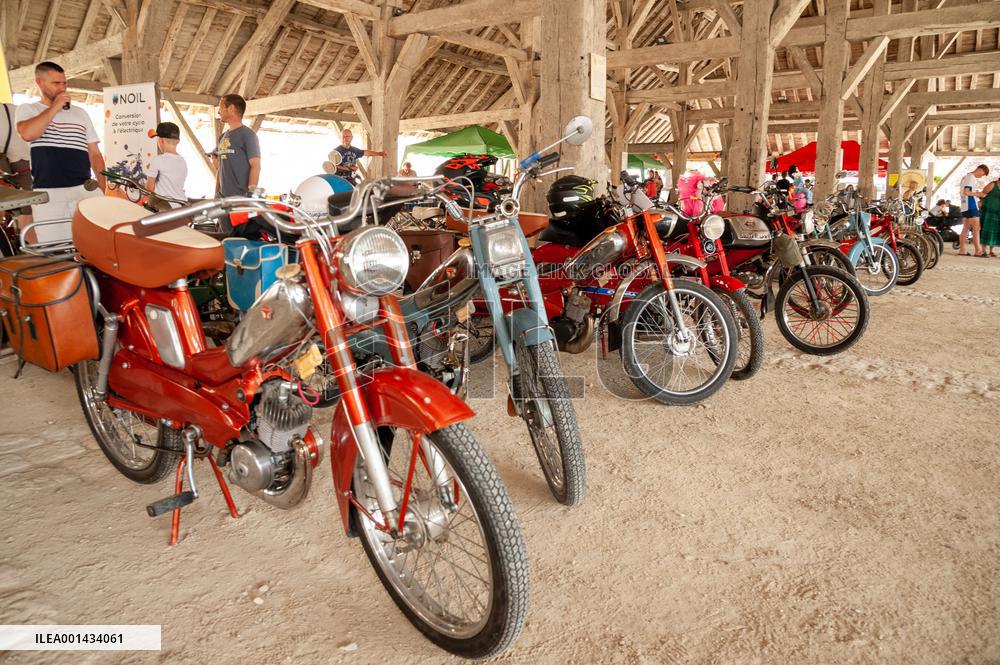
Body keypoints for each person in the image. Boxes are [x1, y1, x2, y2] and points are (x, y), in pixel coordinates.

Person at [15, 61, 105, 244]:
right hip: (49, 192)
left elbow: (94, 153)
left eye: (64, 83)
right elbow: (27, 133)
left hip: (84, 189)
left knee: (94, 245)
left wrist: (103, 187)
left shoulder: (80, 113)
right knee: (54, 248)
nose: (62, 88)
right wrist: (55, 107)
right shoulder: (28, 109)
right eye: (56, 83)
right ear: (39, 83)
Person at [214, 94, 260, 197]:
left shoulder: (248, 135)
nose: (218, 111)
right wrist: (216, 193)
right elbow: (220, 168)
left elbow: (256, 165)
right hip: (222, 198)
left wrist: (250, 195)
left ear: (231, 108)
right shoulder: (222, 137)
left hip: (240, 198)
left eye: (221, 107)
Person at [0, 101, 34, 231]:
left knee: (25, 205)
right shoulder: (15, 109)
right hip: (23, 156)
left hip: (20, 156)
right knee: (27, 204)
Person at [144, 122, 187, 208]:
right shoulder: (183, 161)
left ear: (161, 140)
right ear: (178, 141)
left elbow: (149, 189)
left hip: (164, 208)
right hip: (181, 206)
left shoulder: (157, 160)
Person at [958, 164, 988, 256]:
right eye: (983, 174)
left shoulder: (966, 176)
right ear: (980, 170)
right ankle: (978, 251)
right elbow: (966, 192)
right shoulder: (971, 177)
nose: (981, 176)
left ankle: (962, 250)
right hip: (971, 205)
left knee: (966, 228)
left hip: (964, 205)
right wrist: (979, 194)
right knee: (976, 228)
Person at [978, 175, 1000, 257]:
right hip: (987, 211)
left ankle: (991, 251)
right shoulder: (992, 184)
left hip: (997, 213)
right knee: (985, 229)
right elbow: (983, 193)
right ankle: (984, 251)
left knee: (995, 231)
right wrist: (980, 201)